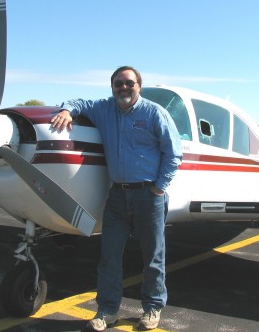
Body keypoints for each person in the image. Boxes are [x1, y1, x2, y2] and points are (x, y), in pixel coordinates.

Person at [51, 66, 182, 331]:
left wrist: (158, 187)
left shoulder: (155, 112)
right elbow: (78, 102)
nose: (124, 87)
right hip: (117, 197)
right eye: (118, 83)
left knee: (153, 257)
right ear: (112, 87)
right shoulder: (104, 108)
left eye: (129, 83)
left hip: (149, 196)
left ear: (139, 86)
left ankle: (152, 308)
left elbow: (173, 154)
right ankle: (107, 310)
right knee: (109, 256)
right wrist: (66, 110)